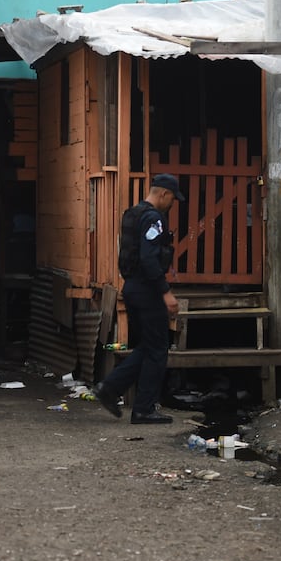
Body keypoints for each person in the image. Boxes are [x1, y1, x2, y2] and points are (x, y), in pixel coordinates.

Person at [94, 173, 184, 424]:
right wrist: (165, 292)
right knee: (157, 349)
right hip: (147, 291)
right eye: (172, 199)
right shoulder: (153, 219)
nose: (172, 204)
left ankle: (109, 388)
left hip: (132, 288)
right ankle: (143, 409)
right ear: (163, 194)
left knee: (148, 345)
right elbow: (148, 258)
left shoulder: (132, 214)